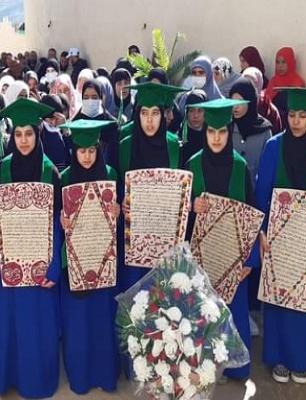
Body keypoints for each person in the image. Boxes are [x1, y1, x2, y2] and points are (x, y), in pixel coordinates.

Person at [0, 99, 62, 398]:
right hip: (11, 264)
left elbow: (59, 225)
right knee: (13, 323)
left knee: (39, 326)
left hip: (41, 266)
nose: (23, 140)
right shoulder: (2, 169)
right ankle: (11, 378)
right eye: (18, 134)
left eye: (29, 134)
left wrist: (54, 268)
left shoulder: (51, 172)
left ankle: (38, 381)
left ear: (38, 133)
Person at [252, 88, 306, 384]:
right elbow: (262, 192)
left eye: (303, 116)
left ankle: (302, 361)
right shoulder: (274, 146)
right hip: (279, 238)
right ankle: (279, 358)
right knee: (280, 300)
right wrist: (261, 231)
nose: (296, 122)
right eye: (292, 115)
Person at [185, 98, 257, 380]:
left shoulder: (240, 167)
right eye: (211, 131)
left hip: (233, 259)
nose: (216, 138)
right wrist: (192, 205)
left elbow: (252, 214)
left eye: (222, 131)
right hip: (201, 257)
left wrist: (250, 260)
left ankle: (235, 368)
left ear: (229, 132)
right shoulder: (192, 164)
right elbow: (179, 213)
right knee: (202, 312)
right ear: (205, 132)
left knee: (232, 312)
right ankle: (205, 368)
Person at [58, 119, 121, 394]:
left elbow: (120, 217)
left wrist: (118, 212)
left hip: (104, 259)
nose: (86, 156)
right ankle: (80, 378)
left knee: (102, 321)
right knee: (78, 325)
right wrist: (62, 220)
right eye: (81, 151)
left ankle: (105, 376)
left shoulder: (111, 175)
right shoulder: (64, 178)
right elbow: (57, 219)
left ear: (99, 149)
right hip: (75, 263)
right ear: (74, 151)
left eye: (91, 150)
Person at [118, 82, 186, 288]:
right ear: (137, 115)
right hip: (134, 238)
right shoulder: (125, 146)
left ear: (163, 115)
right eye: (144, 113)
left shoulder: (173, 145)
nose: (149, 120)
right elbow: (118, 185)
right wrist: (121, 201)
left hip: (165, 236)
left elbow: (183, 187)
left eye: (155, 113)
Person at [230, 77, 273, 186]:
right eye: (233, 101)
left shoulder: (264, 130)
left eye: (241, 101)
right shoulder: (226, 127)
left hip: (254, 190)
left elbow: (268, 167)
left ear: (251, 101)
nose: (235, 106)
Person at [72, 79, 120, 170]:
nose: (90, 101)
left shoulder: (112, 125)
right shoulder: (75, 124)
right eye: (86, 97)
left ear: (101, 98)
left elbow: (115, 156)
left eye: (94, 97)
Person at [265, 47, 306, 117]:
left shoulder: (298, 82)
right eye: (277, 62)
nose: (280, 66)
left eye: (284, 62)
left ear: (290, 62)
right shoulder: (273, 81)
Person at [242, 67, 283, 135]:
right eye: (245, 81)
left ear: (259, 83)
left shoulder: (269, 108)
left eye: (253, 82)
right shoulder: (237, 106)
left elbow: (277, 133)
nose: (249, 85)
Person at [40, 94, 71, 171]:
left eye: (57, 119)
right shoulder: (40, 134)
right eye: (50, 119)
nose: (53, 122)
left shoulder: (65, 133)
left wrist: (66, 131)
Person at [178, 89, 208, 164]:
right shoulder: (180, 137)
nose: (196, 115)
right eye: (191, 110)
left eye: (200, 111)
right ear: (187, 112)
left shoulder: (211, 136)